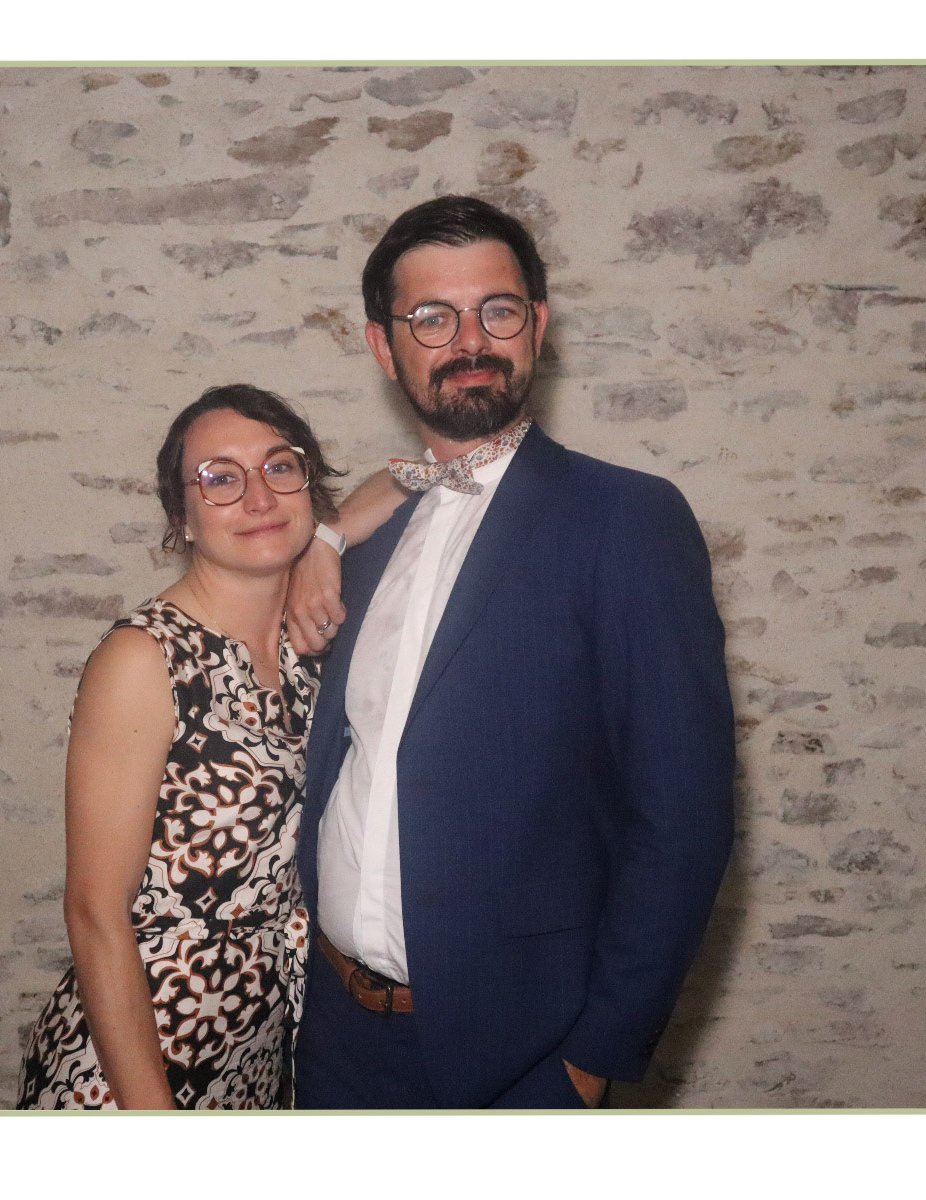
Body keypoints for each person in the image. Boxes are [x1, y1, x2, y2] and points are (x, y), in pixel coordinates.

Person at [284, 196, 736, 1109]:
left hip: (522, 1056)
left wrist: (590, 1060)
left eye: (496, 311)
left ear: (537, 325)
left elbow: (682, 817)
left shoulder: (626, 521)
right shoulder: (363, 540)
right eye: (432, 317)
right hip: (333, 1037)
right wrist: (325, 536)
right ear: (384, 348)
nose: (469, 341)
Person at [17, 384, 402, 1109]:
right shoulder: (146, 660)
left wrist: (327, 540)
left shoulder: (306, 641)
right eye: (220, 479)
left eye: (280, 467)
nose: (258, 497)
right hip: (136, 1068)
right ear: (183, 518)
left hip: (257, 1059)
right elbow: (95, 911)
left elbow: (412, 473)